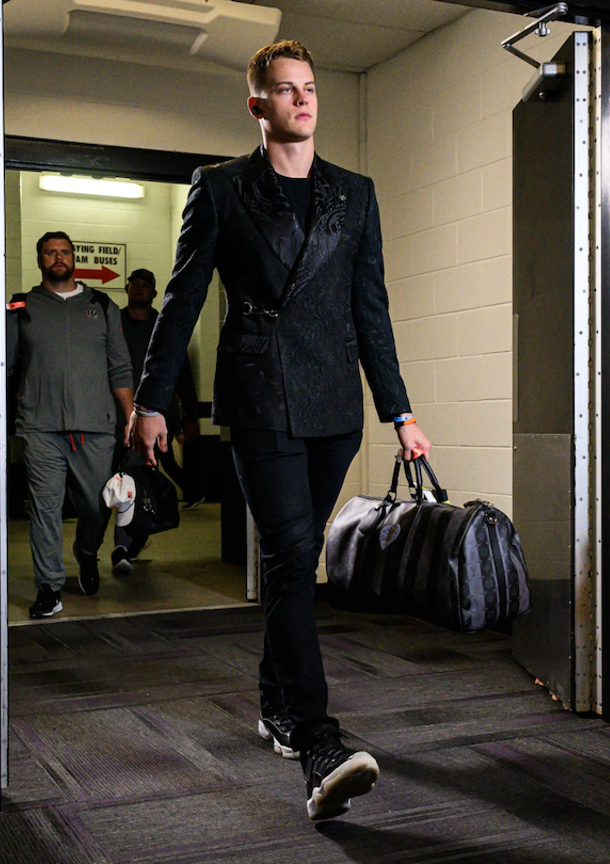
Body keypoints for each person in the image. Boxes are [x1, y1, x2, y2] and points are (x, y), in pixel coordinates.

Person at [129, 41, 431, 821]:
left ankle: (274, 703)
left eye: (309, 89)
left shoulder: (354, 194)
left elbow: (372, 311)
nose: (302, 100)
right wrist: (154, 400)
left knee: (294, 562)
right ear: (257, 103)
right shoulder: (222, 189)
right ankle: (320, 740)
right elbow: (182, 297)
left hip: (334, 408)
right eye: (284, 90)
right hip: (261, 397)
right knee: (295, 555)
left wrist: (400, 411)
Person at [8, 231, 134, 618]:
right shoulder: (23, 306)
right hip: (40, 426)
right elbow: (8, 367)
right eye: (50, 252)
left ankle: (86, 554)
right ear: (40, 258)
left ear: (73, 258)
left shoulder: (102, 304)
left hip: (95, 427)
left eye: (64, 252)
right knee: (44, 509)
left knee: (97, 507)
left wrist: (131, 417)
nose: (58, 258)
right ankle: (49, 587)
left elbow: (121, 367)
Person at [112, 268, 206, 572]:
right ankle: (130, 539)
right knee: (113, 486)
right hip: (110, 418)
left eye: (146, 286)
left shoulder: (162, 327)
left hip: (151, 421)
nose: (140, 289)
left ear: (154, 294)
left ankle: (122, 548)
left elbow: (183, 376)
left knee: (132, 482)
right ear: (127, 288)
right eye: (135, 284)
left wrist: (190, 417)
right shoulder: (115, 325)